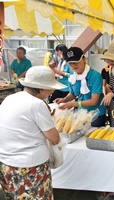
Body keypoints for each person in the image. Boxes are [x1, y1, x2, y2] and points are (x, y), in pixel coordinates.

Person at [0, 66, 66, 199]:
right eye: (50, 88)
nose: (52, 91)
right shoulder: (37, 104)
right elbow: (54, 138)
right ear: (40, 88)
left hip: (6, 164)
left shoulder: (10, 98)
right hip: (29, 167)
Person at [54, 47, 106, 127]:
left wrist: (72, 104)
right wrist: (64, 100)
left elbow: (93, 101)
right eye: (70, 63)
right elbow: (73, 94)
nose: (73, 65)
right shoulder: (72, 77)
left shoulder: (95, 76)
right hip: (81, 113)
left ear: (84, 59)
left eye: (76, 62)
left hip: (96, 114)